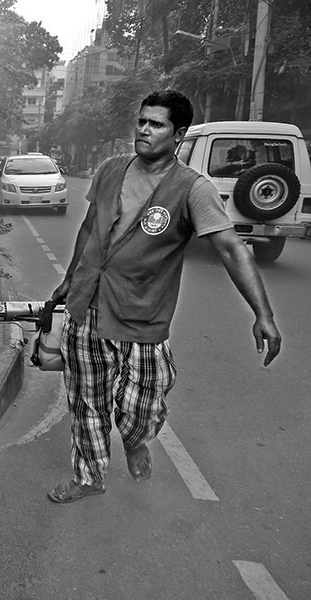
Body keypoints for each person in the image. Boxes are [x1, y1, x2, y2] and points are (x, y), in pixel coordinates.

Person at [46, 90, 282, 504]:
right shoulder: (109, 170)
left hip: (142, 317)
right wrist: (70, 280)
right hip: (87, 309)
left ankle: (136, 440)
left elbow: (231, 249)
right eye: (141, 121)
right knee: (86, 404)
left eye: (155, 124)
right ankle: (88, 477)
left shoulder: (192, 189)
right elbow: (89, 228)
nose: (143, 130)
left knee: (140, 411)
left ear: (178, 134)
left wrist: (263, 314)